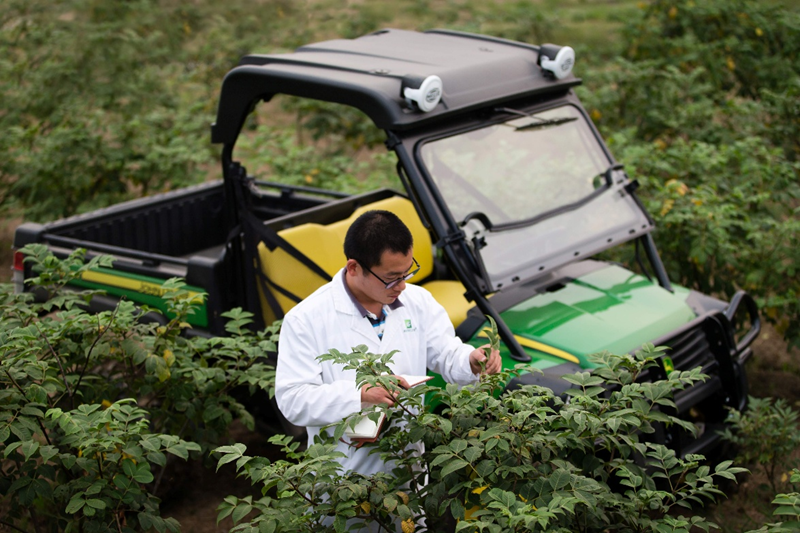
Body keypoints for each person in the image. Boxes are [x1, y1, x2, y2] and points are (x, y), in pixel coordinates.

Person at [274, 209, 501, 476]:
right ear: (354, 268)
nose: (402, 286)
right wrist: (359, 395)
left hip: (409, 466)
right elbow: (293, 399)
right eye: (392, 277)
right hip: (343, 476)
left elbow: (445, 351)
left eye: (407, 273)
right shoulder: (306, 319)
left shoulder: (418, 301)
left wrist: (470, 360)